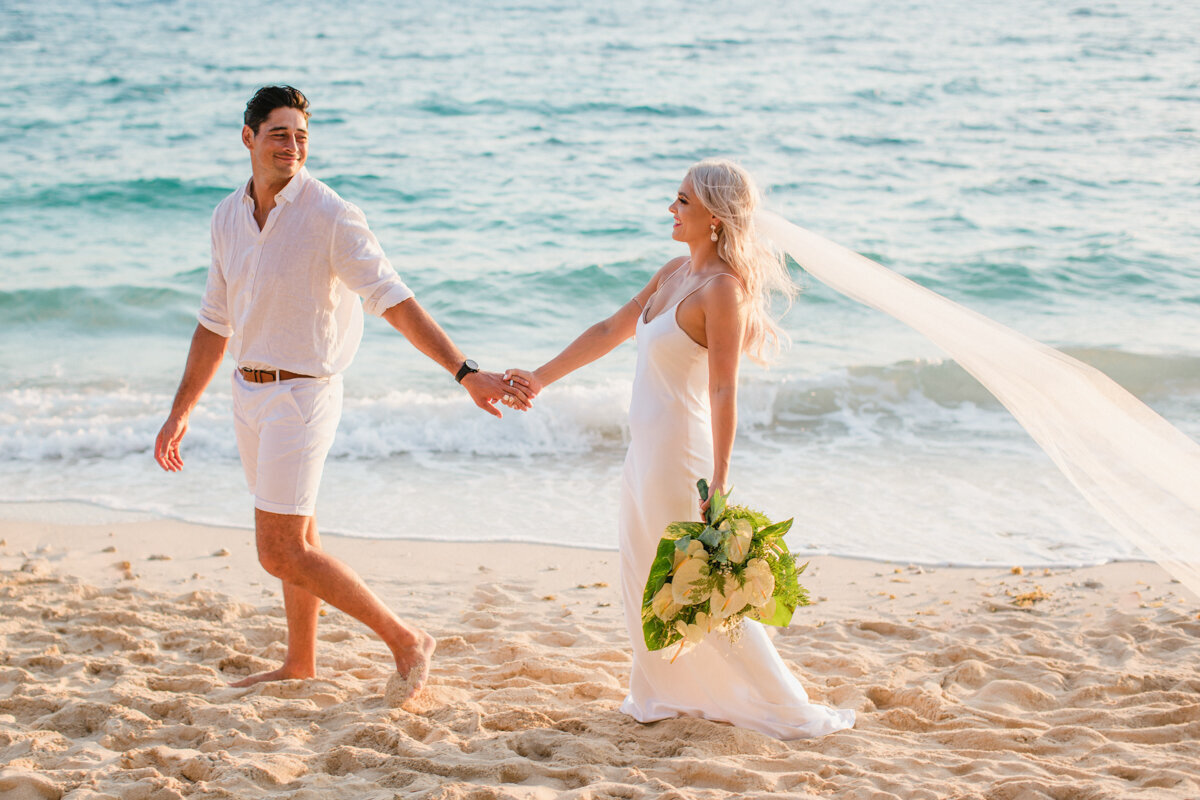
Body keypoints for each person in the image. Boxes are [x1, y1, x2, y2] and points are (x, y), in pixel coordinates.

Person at [154, 85, 529, 701]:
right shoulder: (226, 215)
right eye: (279, 133)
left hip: (303, 398)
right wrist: (180, 410)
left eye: (301, 135)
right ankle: (300, 661)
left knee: (278, 549)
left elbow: (394, 299)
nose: (292, 145)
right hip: (248, 393)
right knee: (299, 538)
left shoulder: (330, 213)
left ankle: (406, 639)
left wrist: (464, 372)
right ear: (248, 138)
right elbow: (213, 322)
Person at [503, 160, 855, 738]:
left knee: (699, 584)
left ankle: (783, 706)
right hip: (644, 451)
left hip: (682, 457)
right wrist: (539, 379)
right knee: (644, 571)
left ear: (714, 216)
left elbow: (723, 389)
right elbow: (609, 330)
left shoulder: (723, 291)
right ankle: (665, 692)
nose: (672, 209)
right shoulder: (673, 273)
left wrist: (718, 480)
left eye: (683, 201)